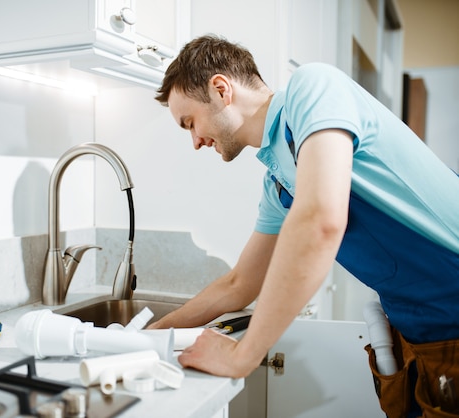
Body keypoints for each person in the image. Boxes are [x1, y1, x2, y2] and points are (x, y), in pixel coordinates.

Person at [149, 35, 459, 417]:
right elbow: (239, 284)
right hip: (425, 335)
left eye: (189, 122)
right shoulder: (279, 181)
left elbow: (321, 222)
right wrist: (155, 332)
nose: (195, 141)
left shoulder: (312, 87)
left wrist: (242, 356)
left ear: (220, 89)